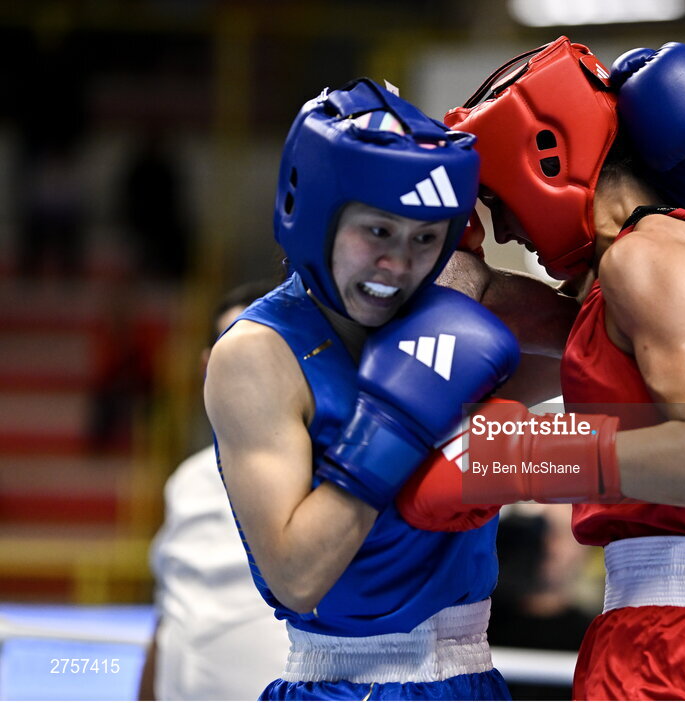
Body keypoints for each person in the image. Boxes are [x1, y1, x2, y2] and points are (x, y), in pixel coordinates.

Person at [401, 37, 685, 700]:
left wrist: (526, 457)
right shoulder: (625, 275)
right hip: (658, 630)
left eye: (498, 199)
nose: (502, 230)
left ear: (545, 158)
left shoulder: (645, 259)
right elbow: (499, 323)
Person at [203, 79, 521, 701]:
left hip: (474, 679)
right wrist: (396, 424)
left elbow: (618, 381)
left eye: (424, 237)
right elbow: (297, 576)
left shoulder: (460, 305)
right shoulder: (257, 356)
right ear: (319, 214)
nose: (398, 264)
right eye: (377, 232)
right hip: (349, 683)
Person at [139, 280, 290, 701]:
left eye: (267, 350)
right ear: (208, 364)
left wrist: (492, 382)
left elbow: (487, 481)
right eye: (232, 349)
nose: (248, 368)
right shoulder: (186, 479)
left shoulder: (348, 464)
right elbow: (171, 608)